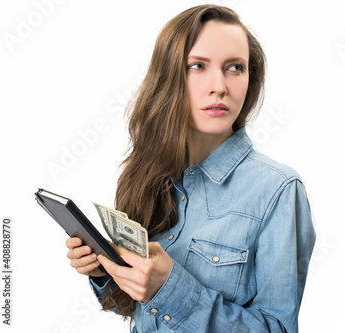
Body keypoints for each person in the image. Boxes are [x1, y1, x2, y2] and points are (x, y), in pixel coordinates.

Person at [65, 4, 316, 332]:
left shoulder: (278, 189)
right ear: (169, 76)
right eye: (198, 65)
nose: (220, 86)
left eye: (235, 67)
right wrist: (104, 272)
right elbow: (139, 310)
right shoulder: (147, 175)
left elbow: (278, 329)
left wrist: (170, 289)